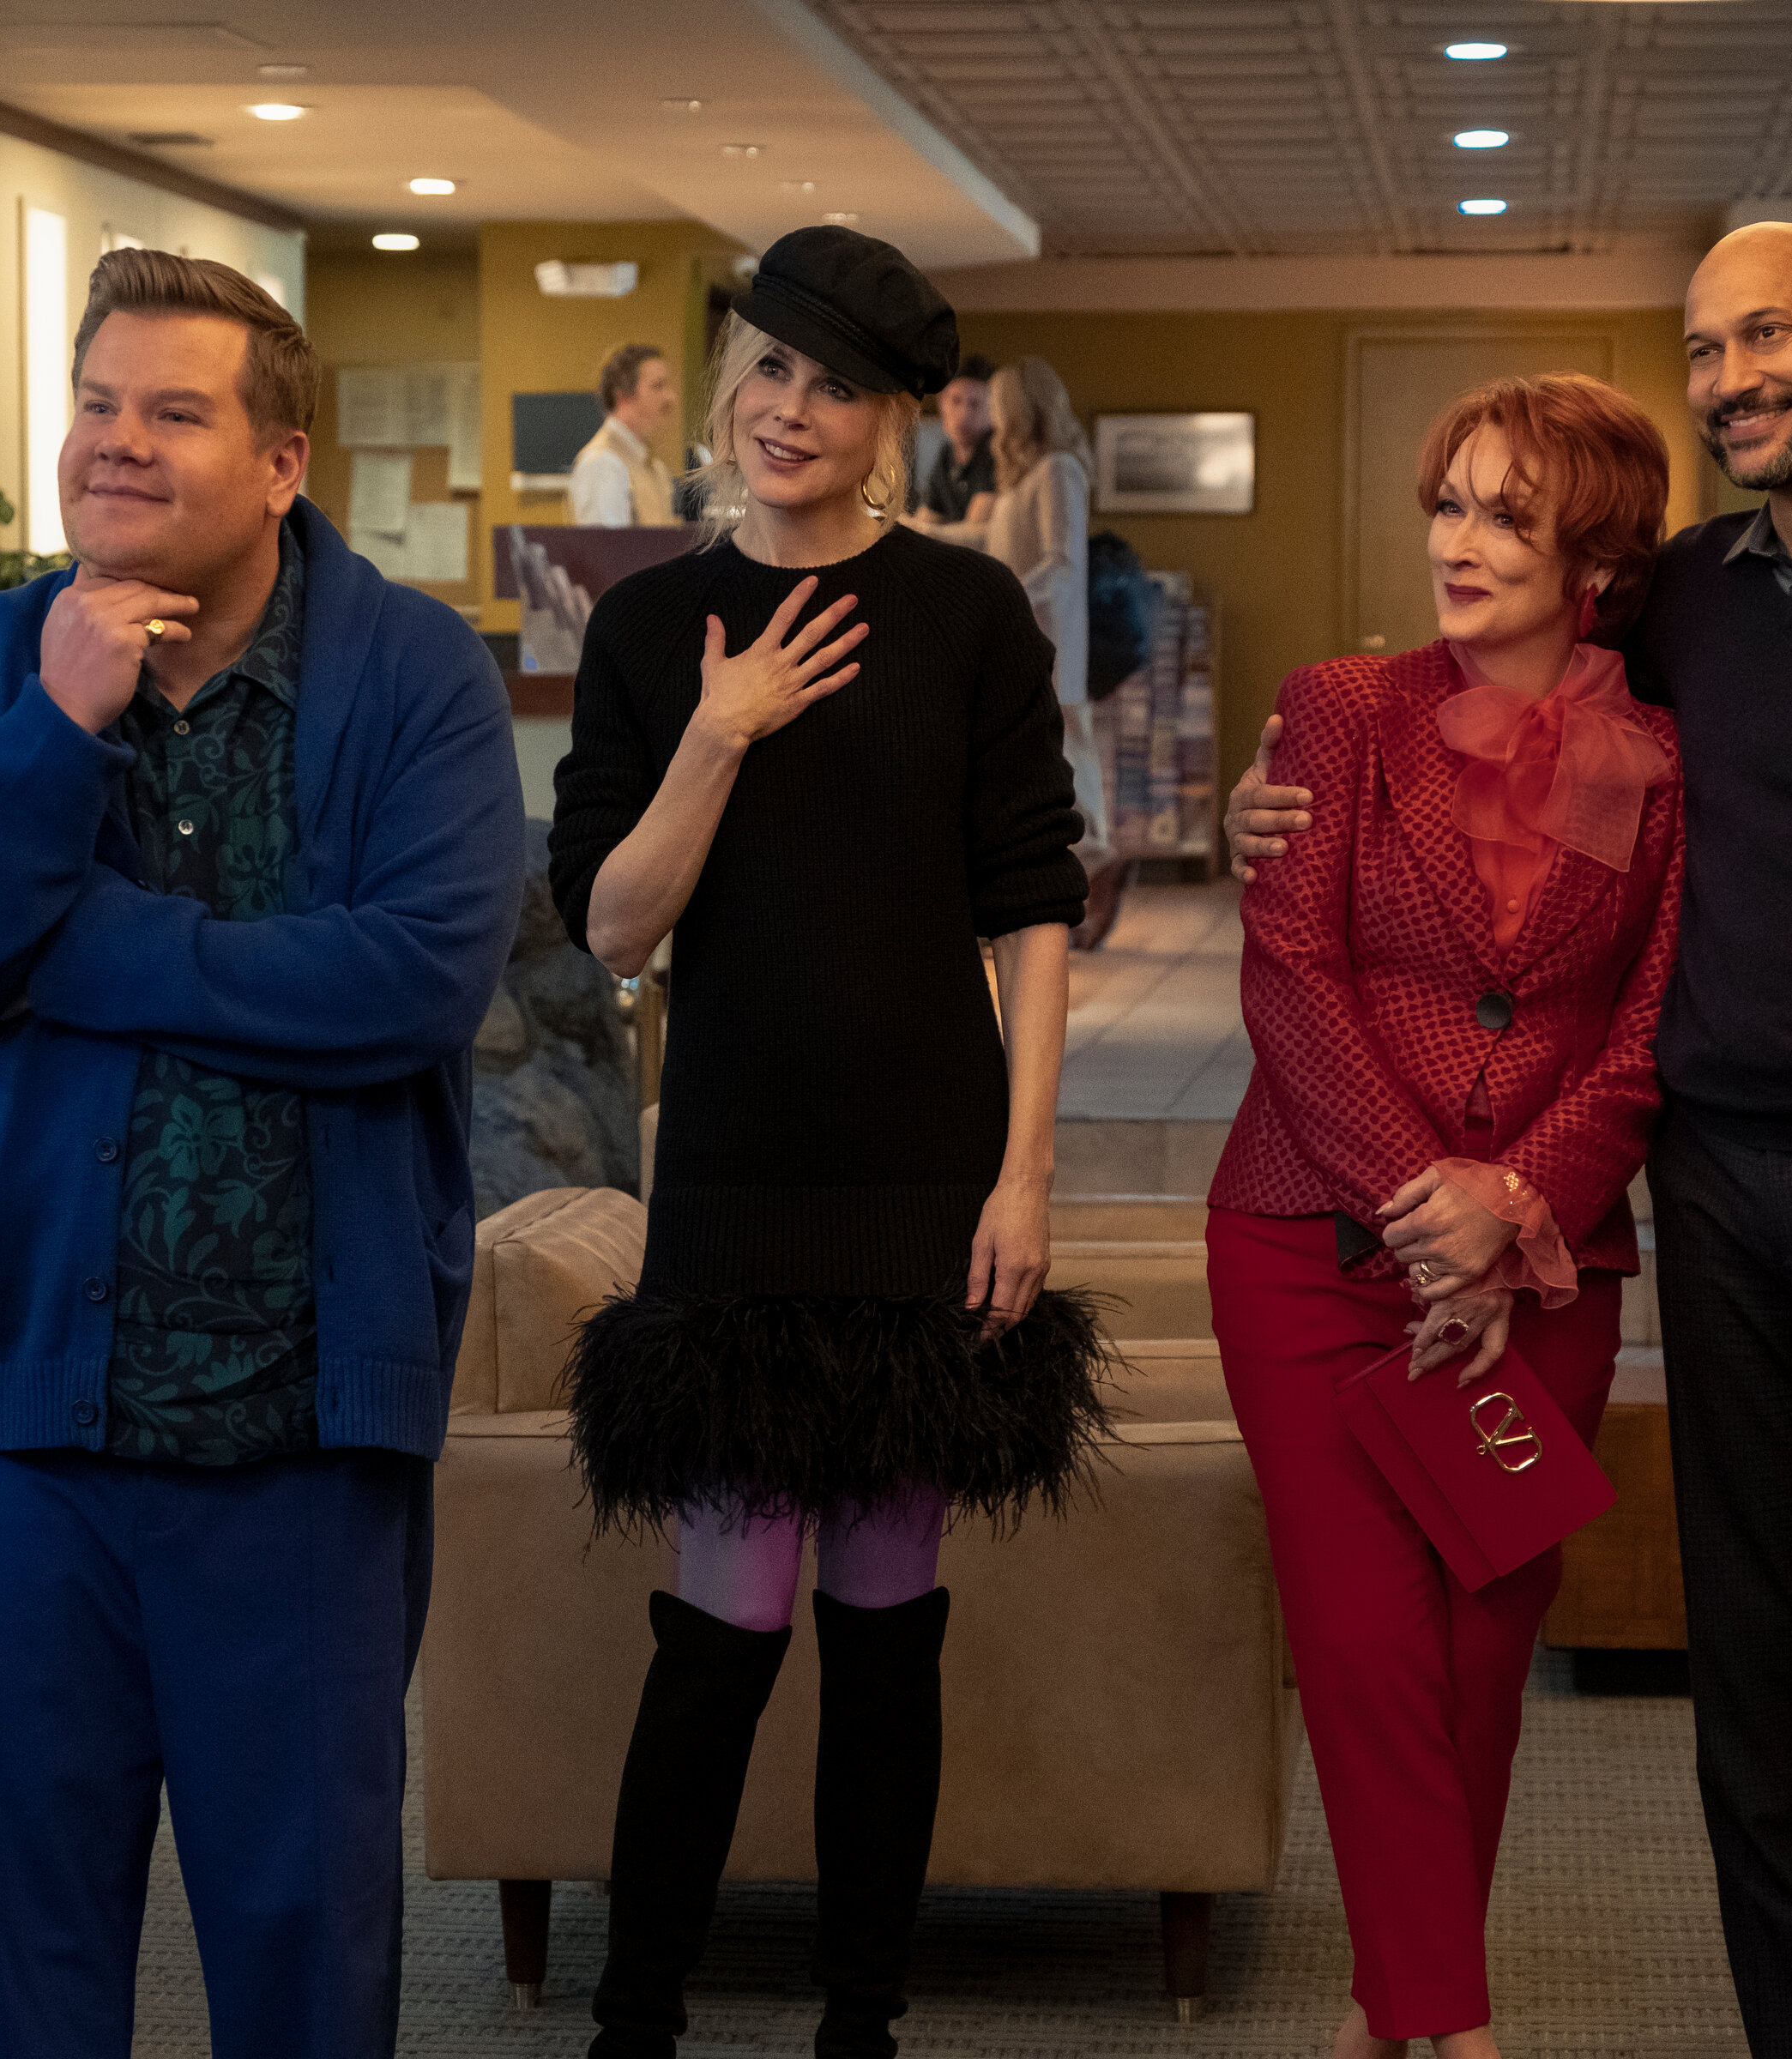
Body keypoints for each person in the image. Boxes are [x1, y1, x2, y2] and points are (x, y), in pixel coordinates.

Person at [1228, 222, 1792, 2058]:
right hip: (1719, 1201)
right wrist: (1265, 803)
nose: (1733, 377)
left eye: (1769, 337)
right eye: (1707, 346)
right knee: (1761, 1698)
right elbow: (1487, 676)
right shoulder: (1689, 599)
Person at [0, 250, 524, 2058]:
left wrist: (79, 951)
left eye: (173, 411)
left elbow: (412, 982)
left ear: (283, 464)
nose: (115, 444)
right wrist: (55, 728)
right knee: (27, 1952)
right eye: (96, 404)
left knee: (306, 1955)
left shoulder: (415, 677)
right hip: (26, 1434)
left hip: (299, 1437)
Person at [547, 226, 1110, 2059]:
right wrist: (718, 736)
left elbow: (1033, 904)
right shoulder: (652, 631)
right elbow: (614, 928)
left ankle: (861, 2023)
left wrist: (1026, 1173)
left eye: (838, 386)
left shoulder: (966, 617)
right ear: (729, 375)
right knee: (722, 1626)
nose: (792, 410)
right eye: (772, 368)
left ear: (894, 421)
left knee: (886, 1624)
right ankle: (637, 2019)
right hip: (734, 1178)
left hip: (930, 1171)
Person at [1207, 373, 1681, 2059]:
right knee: (1363, 1650)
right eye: (1452, 504)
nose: (1459, 543)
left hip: (1545, 1277)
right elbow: (1293, 979)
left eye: (1509, 516)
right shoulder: (1337, 713)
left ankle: (1393, 2008)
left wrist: (1519, 1206)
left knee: (1484, 1655)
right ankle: (1454, 2031)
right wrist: (1432, 1225)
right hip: (1309, 1250)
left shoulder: (1659, 764)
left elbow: (1649, 1030)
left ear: (1596, 563)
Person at [978, 355, 1120, 944]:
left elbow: (1060, 564)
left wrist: (1003, 600)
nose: (989, 416)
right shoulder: (1025, 474)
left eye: (995, 402)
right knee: (1049, 758)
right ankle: (1079, 875)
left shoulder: (1059, 470)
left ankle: (1096, 865)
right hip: (1023, 643)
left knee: (1067, 757)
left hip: (1051, 643)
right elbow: (995, 543)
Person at [572, 341, 682, 527]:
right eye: (657, 386)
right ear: (623, 394)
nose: (670, 397)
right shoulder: (604, 463)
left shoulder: (654, 467)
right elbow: (607, 544)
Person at [902, 353, 997, 532]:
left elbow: (973, 535)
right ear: (942, 403)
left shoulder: (996, 454)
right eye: (955, 401)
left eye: (975, 404)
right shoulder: (947, 455)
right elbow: (927, 519)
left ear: (994, 408)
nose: (963, 414)